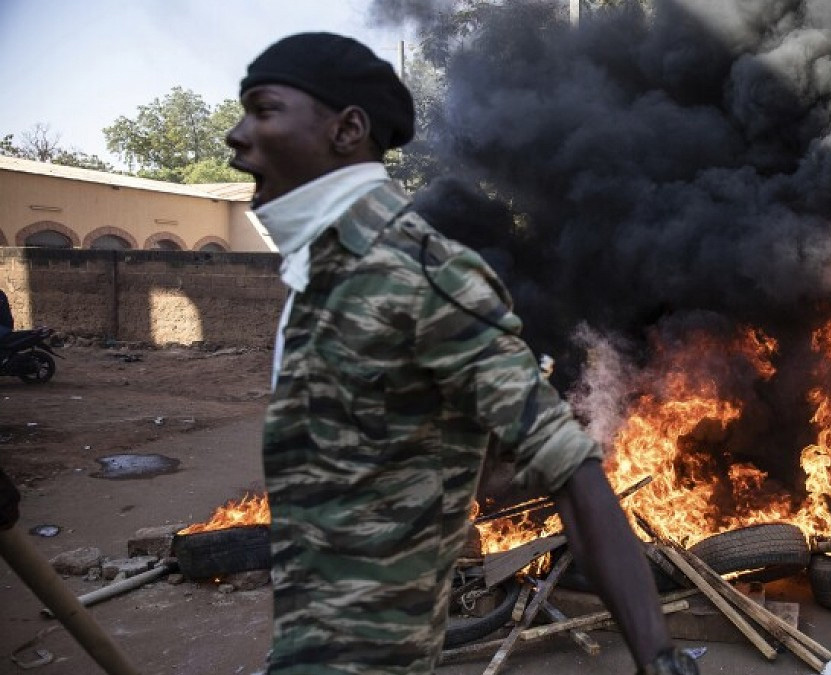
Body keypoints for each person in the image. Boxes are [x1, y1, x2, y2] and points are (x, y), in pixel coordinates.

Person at [226, 33, 693, 675]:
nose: (237, 135)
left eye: (264, 110)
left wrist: (659, 658)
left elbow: (571, 471)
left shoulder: (423, 277)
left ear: (347, 129)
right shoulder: (316, 282)